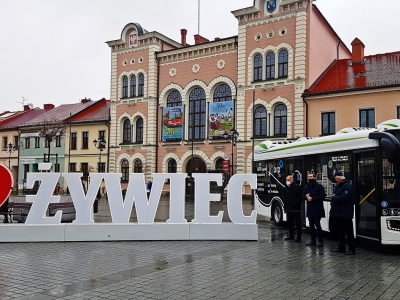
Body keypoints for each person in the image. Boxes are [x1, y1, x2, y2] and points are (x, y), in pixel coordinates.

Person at [330, 171, 356, 255]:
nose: (336, 181)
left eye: (337, 179)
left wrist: (334, 198)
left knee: (349, 232)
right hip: (338, 213)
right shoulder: (339, 186)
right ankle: (341, 247)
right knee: (339, 231)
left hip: (345, 213)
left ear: (340, 178)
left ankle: (352, 249)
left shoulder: (348, 186)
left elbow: (343, 198)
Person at [303, 173, 326, 247]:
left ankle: (320, 241)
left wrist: (312, 198)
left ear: (314, 177)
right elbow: (303, 196)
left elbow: (322, 196)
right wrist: (306, 197)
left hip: (317, 208)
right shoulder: (306, 187)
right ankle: (313, 240)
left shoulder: (319, 186)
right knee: (311, 225)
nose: (310, 178)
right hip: (310, 209)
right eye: (308, 177)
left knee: (317, 224)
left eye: (311, 176)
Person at [283, 175, 303, 242]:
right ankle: (291, 236)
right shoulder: (286, 188)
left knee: (297, 223)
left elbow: (300, 197)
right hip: (289, 209)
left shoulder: (297, 187)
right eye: (286, 180)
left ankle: (298, 237)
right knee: (290, 222)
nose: (287, 181)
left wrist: (294, 203)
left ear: (292, 180)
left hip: (296, 208)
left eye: (288, 180)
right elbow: (285, 198)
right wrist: (285, 207)